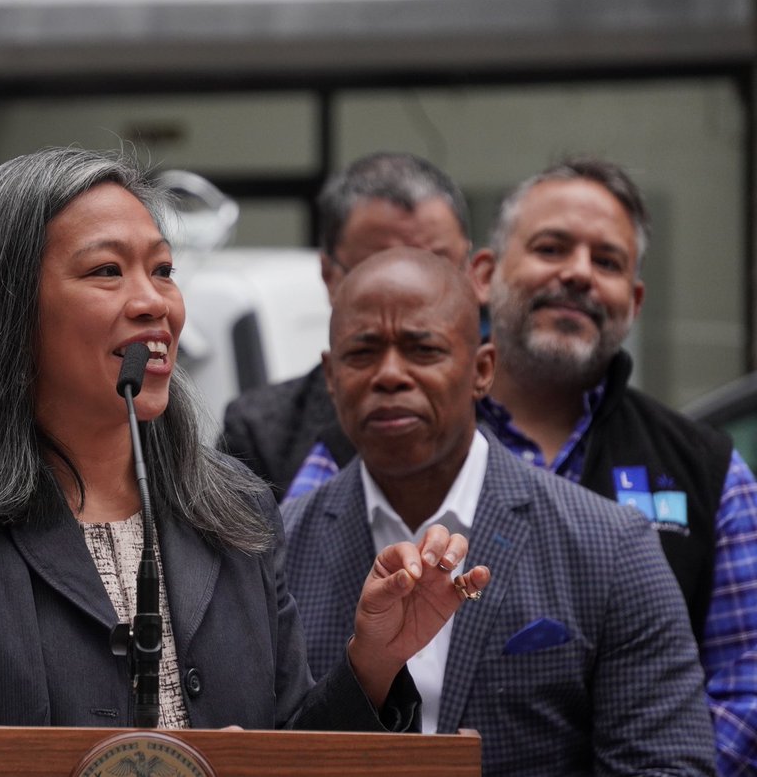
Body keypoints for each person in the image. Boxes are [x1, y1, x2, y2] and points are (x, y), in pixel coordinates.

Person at [0, 146, 490, 730]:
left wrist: (373, 661)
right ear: (7, 311)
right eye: (106, 272)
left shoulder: (236, 510)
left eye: (163, 269)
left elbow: (292, 745)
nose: (154, 302)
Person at [282, 247, 715, 775]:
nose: (390, 375)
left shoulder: (611, 546)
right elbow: (256, 753)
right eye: (362, 353)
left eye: (423, 349)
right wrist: (367, 670)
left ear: (482, 370)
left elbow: (667, 766)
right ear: (330, 376)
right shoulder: (274, 550)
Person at [469, 156, 757, 775]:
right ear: (485, 274)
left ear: (635, 299)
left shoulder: (709, 471)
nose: (578, 274)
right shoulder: (407, 445)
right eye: (551, 248)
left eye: (607, 262)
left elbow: (747, 682)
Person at [219, 152, 472, 502]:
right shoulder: (263, 433)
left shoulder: (523, 422)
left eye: (434, 264)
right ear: (330, 277)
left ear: (474, 272)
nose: (411, 289)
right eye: (379, 268)